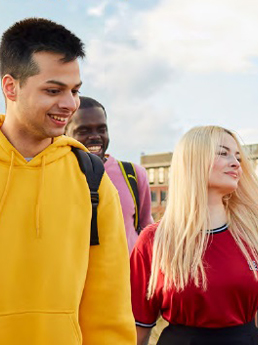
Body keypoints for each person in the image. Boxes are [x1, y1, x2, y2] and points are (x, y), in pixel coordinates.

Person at [0, 18, 135, 343]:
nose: (70, 104)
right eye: (53, 90)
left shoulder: (91, 176)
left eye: (75, 90)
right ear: (10, 87)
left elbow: (109, 303)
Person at [131, 126, 258, 345]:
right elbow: (139, 326)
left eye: (238, 156)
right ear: (193, 160)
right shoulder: (155, 240)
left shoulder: (255, 231)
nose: (236, 163)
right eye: (223, 153)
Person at [66, 96, 154, 253]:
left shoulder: (133, 174)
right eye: (84, 130)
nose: (95, 136)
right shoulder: (54, 174)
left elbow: (147, 229)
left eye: (101, 129)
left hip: (127, 276)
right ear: (65, 134)